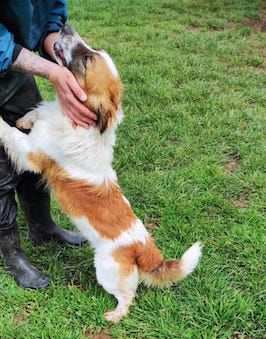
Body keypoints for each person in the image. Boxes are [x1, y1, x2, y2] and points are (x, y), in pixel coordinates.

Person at [0, 1, 97, 289]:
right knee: (1, 174)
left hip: (12, 67)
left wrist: (64, 52)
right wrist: (51, 72)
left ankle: (42, 227)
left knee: (37, 146)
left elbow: (50, 11)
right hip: (6, 51)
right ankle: (12, 253)